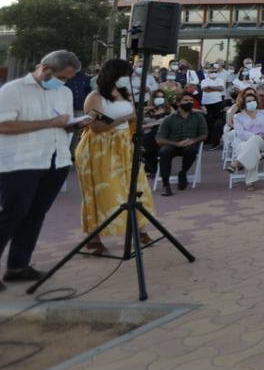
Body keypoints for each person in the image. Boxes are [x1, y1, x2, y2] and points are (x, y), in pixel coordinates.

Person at [0, 51, 84, 287]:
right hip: (21, 163)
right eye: (61, 76)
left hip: (55, 161)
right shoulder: (13, 90)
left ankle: (18, 265)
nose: (64, 82)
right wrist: (49, 123)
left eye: (68, 78)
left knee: (36, 214)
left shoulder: (64, 92)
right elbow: (3, 125)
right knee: (12, 215)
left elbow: (61, 123)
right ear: (45, 68)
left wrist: (72, 126)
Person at [75, 58, 155, 255]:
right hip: (100, 148)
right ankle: (94, 238)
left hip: (124, 145)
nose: (129, 79)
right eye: (126, 75)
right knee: (104, 190)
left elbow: (132, 120)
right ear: (114, 75)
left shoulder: (124, 94)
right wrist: (125, 117)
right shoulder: (94, 97)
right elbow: (96, 126)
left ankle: (140, 229)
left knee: (135, 188)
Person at [154, 93, 205, 196]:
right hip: (173, 144)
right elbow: (159, 139)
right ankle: (166, 184)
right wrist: (176, 144)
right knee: (164, 151)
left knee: (191, 150)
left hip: (190, 144)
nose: (189, 102)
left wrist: (193, 140)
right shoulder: (169, 119)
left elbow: (204, 134)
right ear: (178, 103)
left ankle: (183, 172)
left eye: (191, 100)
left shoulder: (198, 117)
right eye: (185, 100)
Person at [224, 87, 264, 191]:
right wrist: (257, 136)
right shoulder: (238, 117)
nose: (252, 102)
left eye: (253, 101)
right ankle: (249, 182)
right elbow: (241, 134)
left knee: (253, 144)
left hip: (263, 143)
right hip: (243, 143)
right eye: (248, 101)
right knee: (251, 147)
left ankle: (237, 163)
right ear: (244, 103)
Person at [199, 63, 228, 149]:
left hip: (217, 102)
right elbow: (204, 89)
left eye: (215, 71)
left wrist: (210, 87)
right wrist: (215, 88)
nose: (213, 73)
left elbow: (221, 88)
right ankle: (207, 141)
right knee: (208, 122)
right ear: (208, 73)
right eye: (211, 72)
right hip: (206, 103)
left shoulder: (220, 80)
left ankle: (214, 141)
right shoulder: (204, 81)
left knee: (217, 122)